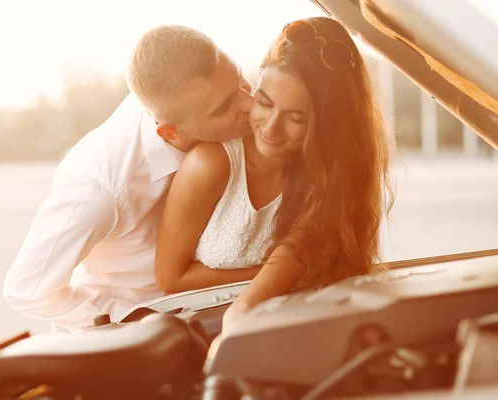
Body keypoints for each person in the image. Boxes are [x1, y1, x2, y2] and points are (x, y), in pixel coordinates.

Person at [2, 25, 255, 332]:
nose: (250, 103)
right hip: (136, 336)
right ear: (171, 131)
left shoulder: (179, 96)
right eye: (226, 106)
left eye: (240, 79)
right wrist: (133, 320)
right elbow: (27, 291)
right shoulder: (99, 185)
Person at [152, 17, 394, 331]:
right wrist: (269, 278)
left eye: (295, 117)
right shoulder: (210, 163)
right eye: (264, 102)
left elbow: (298, 249)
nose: (271, 128)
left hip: (282, 321)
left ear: (327, 126)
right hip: (201, 329)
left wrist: (258, 296)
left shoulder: (325, 174)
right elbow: (170, 278)